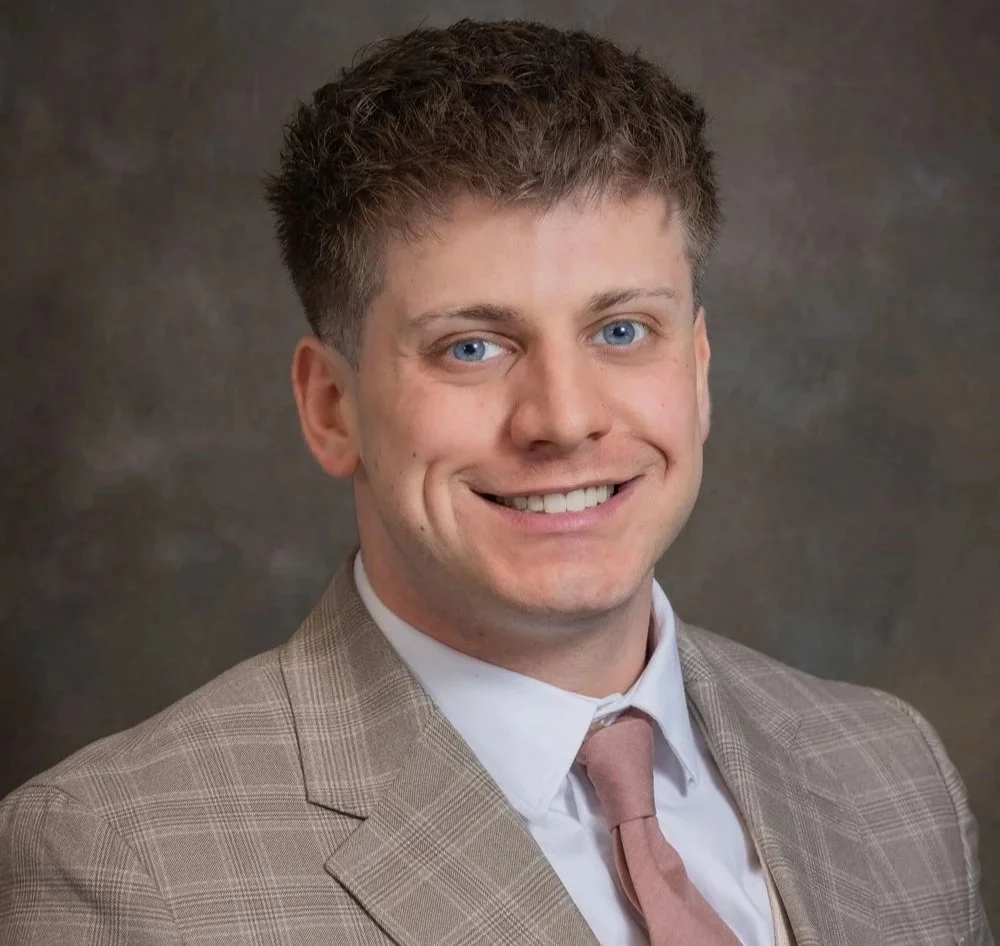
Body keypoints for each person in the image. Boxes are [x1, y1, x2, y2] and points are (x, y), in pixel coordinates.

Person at [0, 18, 991, 946]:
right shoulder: (126, 871)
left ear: (697, 370)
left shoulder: (889, 774)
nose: (563, 418)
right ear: (331, 407)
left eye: (621, 331)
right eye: (471, 346)